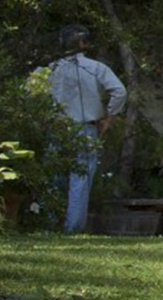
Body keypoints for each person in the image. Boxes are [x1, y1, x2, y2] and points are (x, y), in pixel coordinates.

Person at [43, 24, 127, 232]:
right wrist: (110, 117)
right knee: (80, 178)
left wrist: (40, 117)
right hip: (85, 128)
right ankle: (72, 228)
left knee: (53, 176)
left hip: (56, 126)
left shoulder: (49, 68)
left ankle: (47, 223)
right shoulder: (95, 68)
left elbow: (28, 91)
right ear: (84, 43)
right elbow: (120, 91)